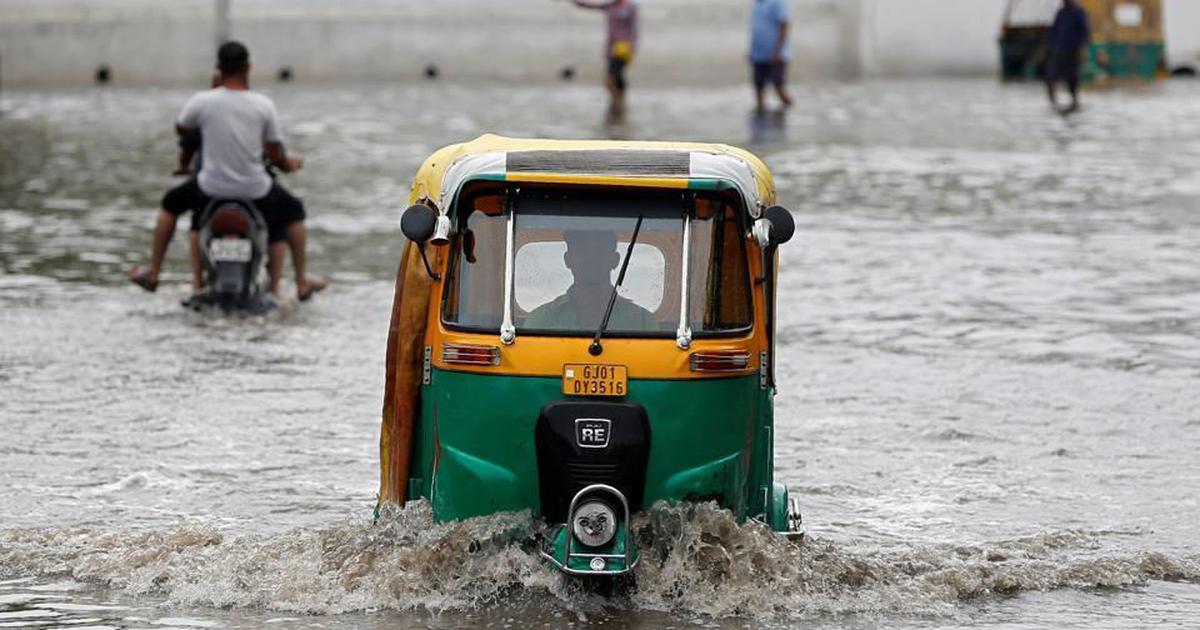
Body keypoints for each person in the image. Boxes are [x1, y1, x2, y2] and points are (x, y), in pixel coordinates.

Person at [128, 41, 326, 300]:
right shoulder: (262, 105)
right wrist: (289, 164)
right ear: (249, 67)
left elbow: (182, 130)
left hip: (210, 188)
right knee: (295, 214)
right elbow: (276, 152)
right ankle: (301, 282)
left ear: (218, 68)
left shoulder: (202, 101)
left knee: (169, 206)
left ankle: (153, 273)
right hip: (256, 190)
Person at [525, 230, 655, 331]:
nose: (591, 257)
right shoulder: (540, 320)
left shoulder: (643, 321)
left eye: (600, 250)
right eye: (582, 250)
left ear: (615, 260)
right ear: (568, 259)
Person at [570, 0, 638, 114]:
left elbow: (634, 29)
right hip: (610, 48)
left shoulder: (630, 8)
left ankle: (619, 101)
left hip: (623, 48)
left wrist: (633, 47)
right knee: (615, 76)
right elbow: (590, 5)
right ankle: (618, 102)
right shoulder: (610, 6)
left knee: (611, 78)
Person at [1045, 0, 1090, 114]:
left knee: (1072, 77)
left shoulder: (1078, 12)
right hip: (1060, 50)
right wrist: (1049, 47)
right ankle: (1052, 102)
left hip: (1073, 51)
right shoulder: (1061, 13)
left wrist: (1082, 49)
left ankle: (1074, 102)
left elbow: (1084, 31)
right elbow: (1054, 30)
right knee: (1051, 75)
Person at [749, 0, 793, 112]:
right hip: (758, 55)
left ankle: (790, 112)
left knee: (778, 86)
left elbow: (784, 24)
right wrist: (752, 51)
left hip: (775, 54)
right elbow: (756, 29)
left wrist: (778, 50)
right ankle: (760, 120)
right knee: (758, 87)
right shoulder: (756, 5)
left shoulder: (778, 2)